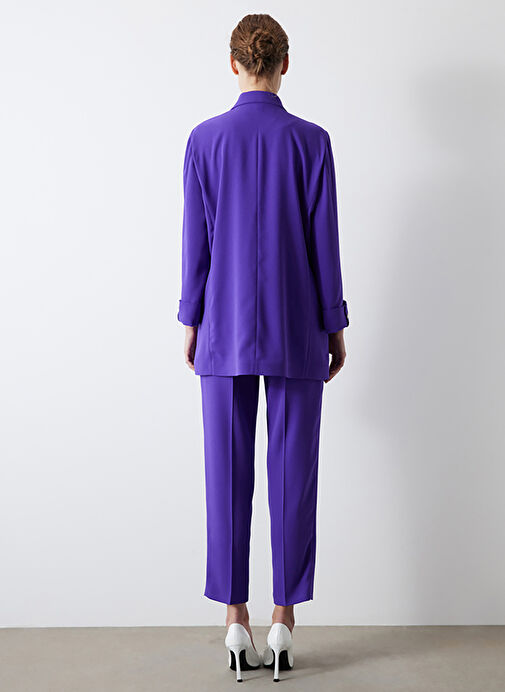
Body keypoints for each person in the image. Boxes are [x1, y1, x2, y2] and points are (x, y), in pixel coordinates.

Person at [177, 13, 349, 682]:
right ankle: (283, 618)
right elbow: (323, 244)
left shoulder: (204, 140)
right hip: (296, 326)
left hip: (222, 326)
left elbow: (197, 243)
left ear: (233, 64)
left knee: (226, 474)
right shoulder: (311, 141)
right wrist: (334, 325)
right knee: (292, 471)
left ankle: (234, 618)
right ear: (284, 64)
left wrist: (191, 320)